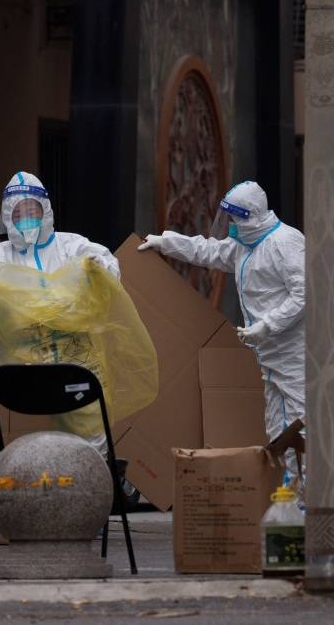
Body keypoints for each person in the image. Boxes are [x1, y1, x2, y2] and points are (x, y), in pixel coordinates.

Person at [139, 180, 305, 490]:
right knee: (278, 428)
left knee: (302, 427)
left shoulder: (286, 242)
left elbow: (303, 293)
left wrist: (267, 325)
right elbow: (208, 250)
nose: (228, 226)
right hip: (269, 356)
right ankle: (289, 498)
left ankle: (310, 506)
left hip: (294, 354)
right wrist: (165, 242)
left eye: (234, 218)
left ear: (250, 216)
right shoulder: (245, 246)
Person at [0, 171, 120, 459]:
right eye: (18, 212)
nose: (26, 216)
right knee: (34, 450)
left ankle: (87, 494)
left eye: (32, 209)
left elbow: (109, 267)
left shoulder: (71, 246)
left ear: (45, 210)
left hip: (78, 361)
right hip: (24, 366)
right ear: (7, 215)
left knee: (90, 442)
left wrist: (98, 269)